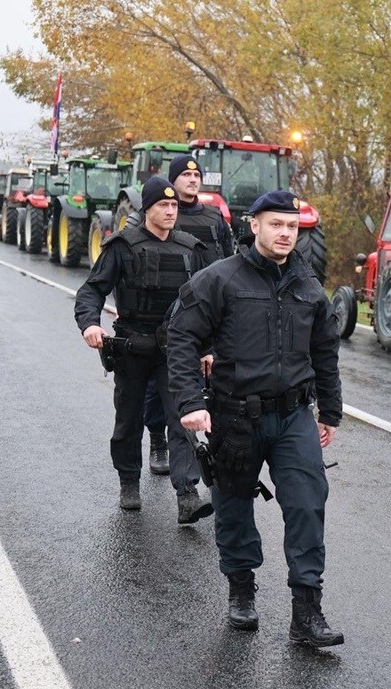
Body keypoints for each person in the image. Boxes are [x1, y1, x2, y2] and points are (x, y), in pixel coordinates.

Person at [167, 189, 344, 645]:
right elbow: (182, 336)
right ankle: (241, 592)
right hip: (233, 415)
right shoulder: (220, 279)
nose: (285, 234)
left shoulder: (308, 286)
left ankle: (307, 613)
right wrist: (191, 403)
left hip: (293, 417)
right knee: (233, 505)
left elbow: (325, 352)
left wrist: (331, 411)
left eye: (292, 227)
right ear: (255, 226)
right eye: (277, 225)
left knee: (307, 504)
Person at [74, 176, 216, 522]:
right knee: (128, 420)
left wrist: (209, 348)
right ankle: (129, 482)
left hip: (177, 350)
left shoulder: (191, 250)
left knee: (183, 419)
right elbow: (91, 291)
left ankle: (187, 495)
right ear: (146, 209)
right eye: (162, 205)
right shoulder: (122, 246)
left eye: (173, 206)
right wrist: (90, 324)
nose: (170, 211)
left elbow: (208, 305)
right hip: (132, 347)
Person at [138, 155, 238, 473]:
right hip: (168, 313)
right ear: (172, 180)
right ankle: (158, 438)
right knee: (161, 384)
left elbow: (229, 256)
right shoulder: (161, 215)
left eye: (197, 174)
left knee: (217, 379)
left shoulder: (213, 217)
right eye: (185, 174)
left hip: (211, 309)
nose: (193, 179)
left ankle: (214, 444)